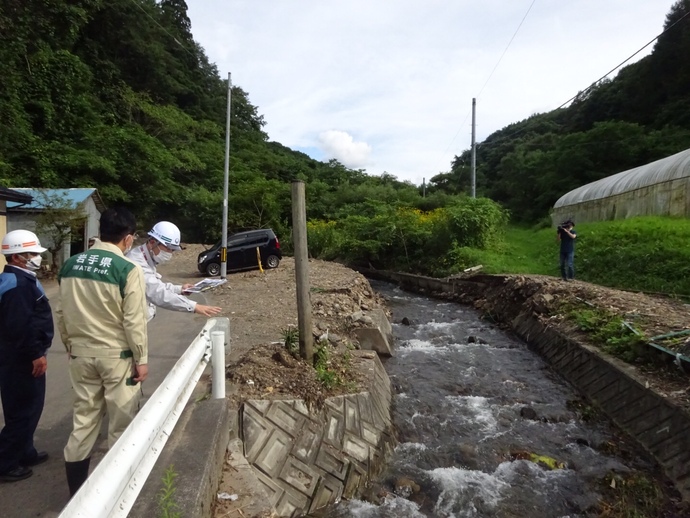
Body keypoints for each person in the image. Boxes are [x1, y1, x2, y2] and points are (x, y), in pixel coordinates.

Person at [56, 207, 149, 496]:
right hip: (117, 357)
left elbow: (61, 312)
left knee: (83, 422)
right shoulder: (128, 270)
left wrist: (70, 346)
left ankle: (78, 497)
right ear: (129, 238)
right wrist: (142, 359)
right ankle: (114, 494)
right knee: (120, 426)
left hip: (80, 354)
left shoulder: (71, 264)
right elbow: (134, 320)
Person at [0, 230, 53, 483]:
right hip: (21, 358)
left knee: (26, 408)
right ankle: (6, 462)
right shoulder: (18, 285)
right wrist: (36, 354)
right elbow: (19, 326)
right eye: (33, 254)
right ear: (18, 256)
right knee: (24, 409)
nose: (37, 258)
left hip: (17, 355)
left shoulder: (19, 278)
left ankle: (25, 451)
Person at [127, 221, 222, 321]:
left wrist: (180, 289)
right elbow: (158, 293)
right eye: (168, 249)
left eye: (173, 250)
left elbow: (156, 285)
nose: (170, 253)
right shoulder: (137, 263)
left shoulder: (146, 257)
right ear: (152, 242)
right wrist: (194, 306)